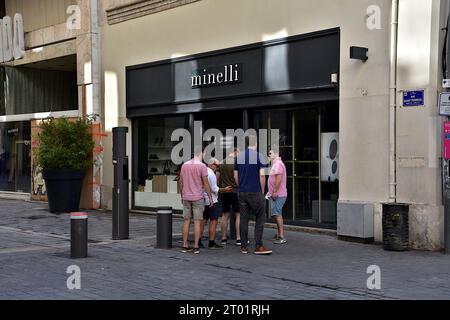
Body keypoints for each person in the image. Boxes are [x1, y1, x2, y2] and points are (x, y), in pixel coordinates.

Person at [234, 135, 272, 255]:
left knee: (244, 218)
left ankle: (244, 247)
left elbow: (235, 175)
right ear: (256, 143)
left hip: (242, 192)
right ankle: (258, 246)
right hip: (255, 191)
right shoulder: (259, 156)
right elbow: (262, 175)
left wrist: (240, 186)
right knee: (260, 217)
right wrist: (261, 190)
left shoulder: (238, 156)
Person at [179, 147, 213, 254]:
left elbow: (181, 181)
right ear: (201, 153)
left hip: (186, 197)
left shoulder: (185, 165)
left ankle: (185, 245)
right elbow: (206, 183)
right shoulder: (202, 166)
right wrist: (210, 197)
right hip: (198, 197)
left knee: (186, 221)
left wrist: (182, 195)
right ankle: (196, 246)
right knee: (198, 221)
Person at [200, 158, 229, 249]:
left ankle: (199, 240)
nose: (217, 168)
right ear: (212, 164)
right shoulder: (211, 174)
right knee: (213, 221)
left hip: (202, 199)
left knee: (203, 220)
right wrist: (225, 189)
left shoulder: (202, 171)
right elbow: (214, 189)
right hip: (212, 200)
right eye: (217, 166)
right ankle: (211, 242)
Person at [217, 148, 241, 246]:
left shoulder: (221, 163)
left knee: (225, 214)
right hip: (235, 191)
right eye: (238, 153)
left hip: (224, 191)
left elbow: (217, 176)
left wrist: (220, 188)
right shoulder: (236, 163)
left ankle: (223, 238)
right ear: (234, 152)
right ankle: (239, 238)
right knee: (238, 214)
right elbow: (237, 177)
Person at [267, 148, 288, 244]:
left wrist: (274, 191)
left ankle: (281, 236)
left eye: (270, 153)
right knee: (276, 213)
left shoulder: (278, 164)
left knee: (277, 213)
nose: (269, 155)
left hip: (278, 194)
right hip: (276, 194)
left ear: (276, 154)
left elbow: (278, 179)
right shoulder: (276, 164)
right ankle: (279, 234)